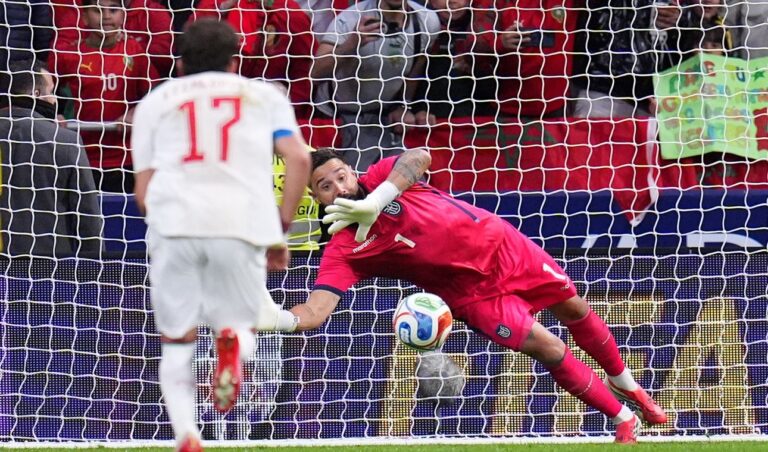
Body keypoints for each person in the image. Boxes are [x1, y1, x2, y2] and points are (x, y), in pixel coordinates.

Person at [285, 147, 668, 444]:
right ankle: (623, 418)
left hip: (504, 249)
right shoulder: (343, 250)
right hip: (472, 296)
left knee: (574, 308)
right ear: (318, 199)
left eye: (340, 176)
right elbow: (316, 312)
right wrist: (272, 317)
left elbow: (420, 157)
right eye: (326, 186)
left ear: (352, 171)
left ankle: (628, 383)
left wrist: (376, 200)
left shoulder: (384, 175)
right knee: (549, 348)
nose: (340, 188)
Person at [130, 20, 308, 452]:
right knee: (241, 323)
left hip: (175, 225)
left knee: (177, 341)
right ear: (235, 59)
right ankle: (232, 343)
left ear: (179, 61)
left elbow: (143, 190)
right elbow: (299, 159)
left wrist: (166, 228)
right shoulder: (264, 96)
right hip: (240, 225)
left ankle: (188, 436)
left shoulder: (155, 101)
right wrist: (279, 229)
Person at [311, 0, 440, 171]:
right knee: (350, 185)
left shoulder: (427, 20)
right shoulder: (350, 19)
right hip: (338, 117)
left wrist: (403, 105)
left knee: (407, 179)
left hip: (383, 118)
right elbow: (316, 72)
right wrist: (352, 44)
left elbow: (416, 68)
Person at [49, 0, 158, 193]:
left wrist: (136, 112)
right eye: (98, 10)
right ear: (84, 16)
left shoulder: (134, 51)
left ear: (123, 15)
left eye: (113, 10)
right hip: (80, 155)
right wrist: (54, 114)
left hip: (124, 156)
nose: (106, 15)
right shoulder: (67, 55)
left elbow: (154, 95)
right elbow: (46, 92)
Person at [0, 59, 102, 257]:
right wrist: (96, 270)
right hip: (50, 271)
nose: (55, 100)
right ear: (36, 94)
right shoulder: (65, 140)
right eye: (52, 91)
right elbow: (88, 217)